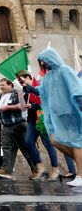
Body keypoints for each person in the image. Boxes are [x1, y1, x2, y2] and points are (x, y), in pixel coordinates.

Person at [36, 48, 82, 187]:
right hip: (58, 117)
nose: (43, 63)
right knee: (54, 140)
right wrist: (27, 88)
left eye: (44, 60)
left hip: (71, 114)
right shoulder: (48, 77)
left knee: (76, 142)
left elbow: (76, 87)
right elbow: (41, 91)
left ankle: (80, 176)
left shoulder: (65, 70)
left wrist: (80, 102)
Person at [0, 79, 37, 179]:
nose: (1, 87)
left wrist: (8, 108)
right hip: (6, 127)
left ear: (10, 85)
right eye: (0, 85)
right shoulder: (1, 96)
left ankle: (36, 169)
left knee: (25, 149)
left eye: (3, 85)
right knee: (6, 148)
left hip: (19, 125)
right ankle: (6, 170)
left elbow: (22, 106)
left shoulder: (18, 93)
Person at [17, 70, 61, 180]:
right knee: (28, 142)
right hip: (32, 120)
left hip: (43, 119)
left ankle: (55, 169)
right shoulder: (24, 90)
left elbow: (43, 102)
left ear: (28, 77)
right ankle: (40, 167)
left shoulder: (39, 86)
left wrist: (32, 106)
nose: (19, 81)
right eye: (18, 80)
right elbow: (24, 106)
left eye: (21, 79)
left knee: (48, 144)